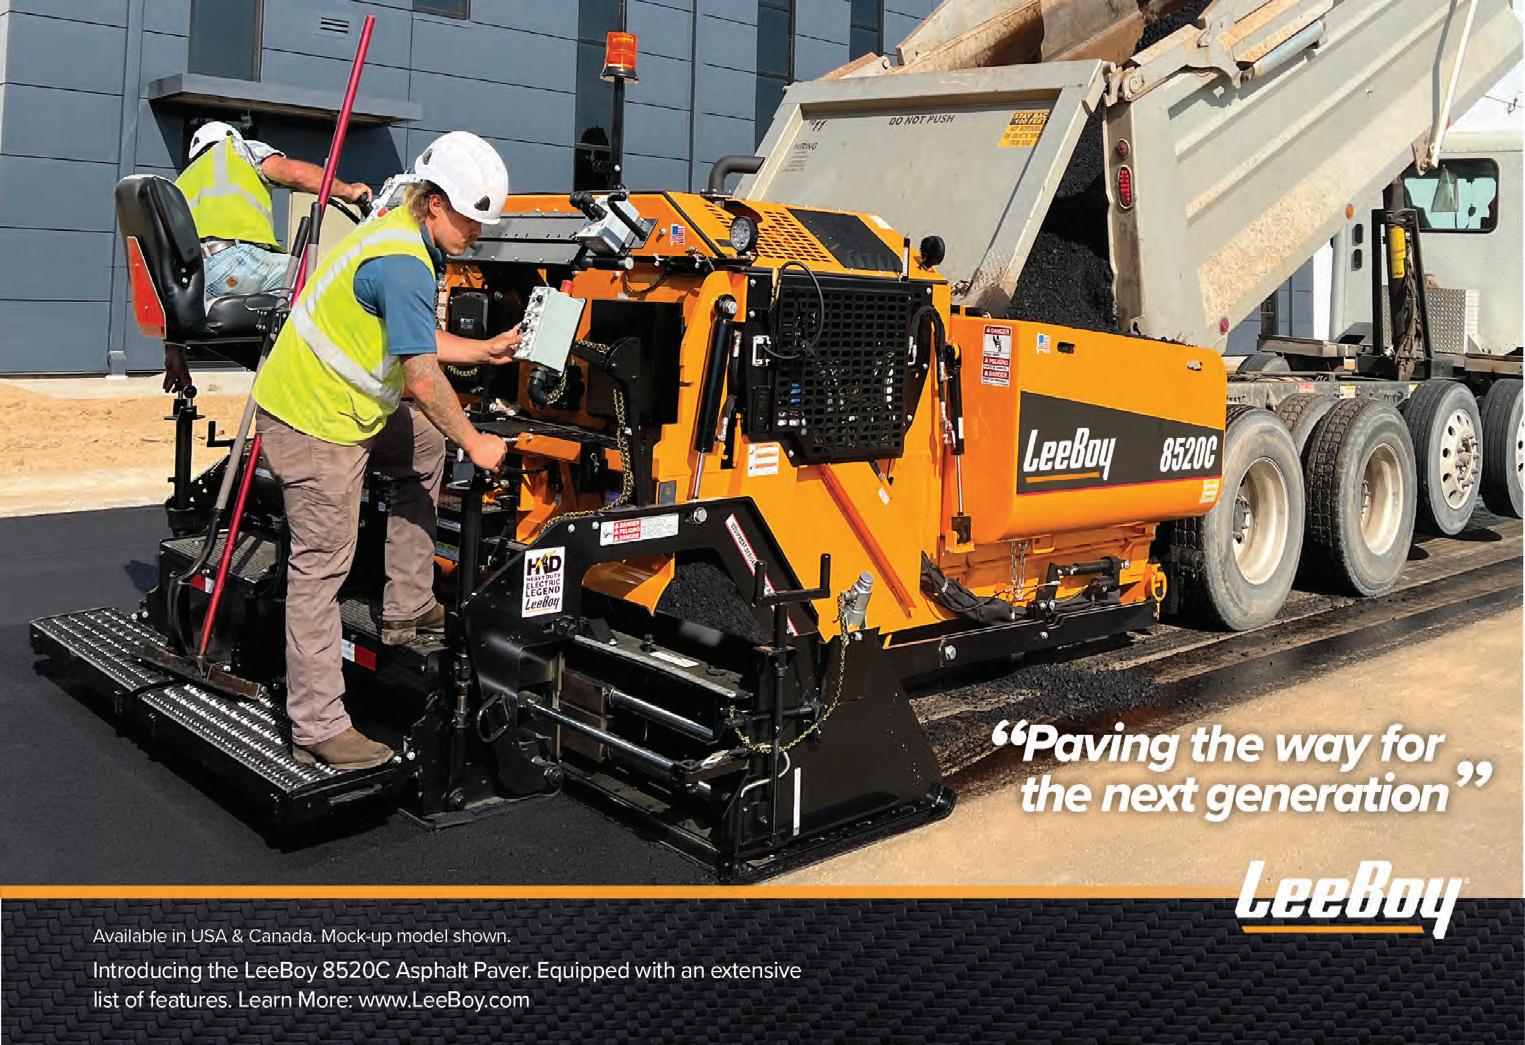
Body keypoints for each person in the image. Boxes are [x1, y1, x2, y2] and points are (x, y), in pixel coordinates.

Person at [251, 131, 520, 771]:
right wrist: (477, 442)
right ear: (436, 203)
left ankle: (408, 605)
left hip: (349, 409)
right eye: (470, 219)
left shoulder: (402, 233)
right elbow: (421, 377)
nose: (477, 233)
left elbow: (412, 334)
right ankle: (318, 725)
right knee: (321, 568)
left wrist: (483, 351)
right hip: (313, 421)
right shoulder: (402, 262)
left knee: (424, 444)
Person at [176, 120, 372, 300]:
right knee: (319, 281)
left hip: (198, 278)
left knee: (278, 309)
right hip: (237, 261)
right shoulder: (236, 149)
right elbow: (296, 174)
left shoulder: (182, 181)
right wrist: (348, 191)